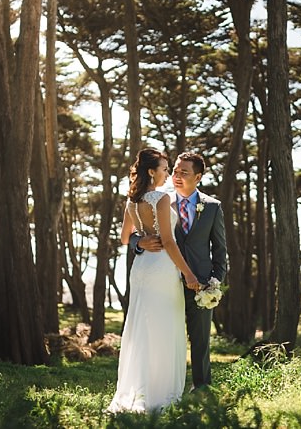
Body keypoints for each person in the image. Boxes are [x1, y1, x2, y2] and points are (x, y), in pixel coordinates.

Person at [108, 149, 203, 413]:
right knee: (164, 328)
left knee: (142, 328)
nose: (167, 174)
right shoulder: (160, 199)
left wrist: (140, 241)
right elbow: (169, 242)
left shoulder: (131, 200)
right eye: (164, 169)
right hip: (162, 267)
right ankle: (159, 393)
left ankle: (139, 389)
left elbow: (125, 238)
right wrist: (188, 273)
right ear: (152, 172)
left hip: (140, 268)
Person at [133, 151, 228, 391]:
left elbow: (220, 250)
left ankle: (202, 386)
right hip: (165, 280)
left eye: (183, 172)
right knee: (165, 336)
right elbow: (134, 230)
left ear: (198, 177)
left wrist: (214, 281)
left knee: (200, 339)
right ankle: (164, 387)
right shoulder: (160, 200)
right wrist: (139, 243)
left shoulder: (212, 207)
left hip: (201, 283)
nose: (176, 176)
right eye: (174, 170)